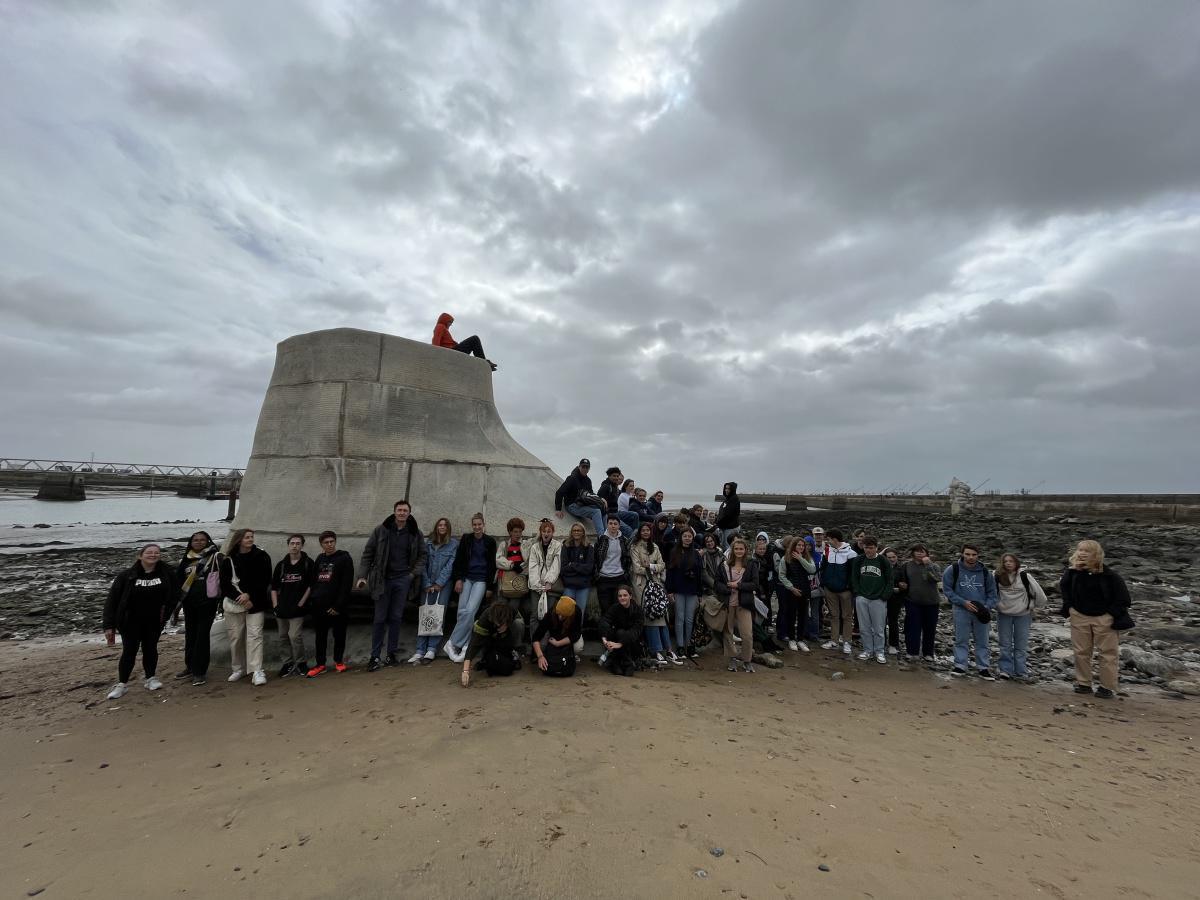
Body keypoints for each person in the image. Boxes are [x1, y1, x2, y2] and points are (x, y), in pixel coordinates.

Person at [356, 500, 426, 672]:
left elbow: (423, 556)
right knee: (379, 619)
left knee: (396, 618)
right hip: (382, 580)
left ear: (409, 513)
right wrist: (362, 576)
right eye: (399, 510)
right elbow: (368, 554)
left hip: (402, 580)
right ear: (394, 512)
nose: (402, 513)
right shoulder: (381, 530)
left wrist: (411, 575)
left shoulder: (415, 533)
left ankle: (391, 654)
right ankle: (374, 656)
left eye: (405, 510)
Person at [103, 543, 178, 699]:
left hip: (154, 621)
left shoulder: (166, 574)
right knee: (129, 651)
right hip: (129, 622)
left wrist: (167, 614)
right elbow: (112, 601)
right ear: (140, 556)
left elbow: (174, 595)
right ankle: (122, 684)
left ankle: (150, 678)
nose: (153, 555)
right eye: (149, 552)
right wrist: (109, 625)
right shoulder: (127, 576)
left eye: (156, 553)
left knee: (150, 649)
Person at [1060, 540, 1130, 699]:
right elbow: (1065, 591)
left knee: (1108, 654)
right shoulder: (1071, 573)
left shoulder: (1109, 575)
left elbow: (1123, 598)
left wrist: (1110, 615)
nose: (1082, 553)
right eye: (1080, 550)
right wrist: (1070, 608)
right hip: (1079, 616)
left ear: (1096, 554)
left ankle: (1107, 687)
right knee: (1081, 652)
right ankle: (1084, 683)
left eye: (1087, 551)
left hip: (1104, 618)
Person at [219, 528, 273, 686]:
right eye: (246, 537)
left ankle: (256, 670)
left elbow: (264, 580)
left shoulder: (262, 556)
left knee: (255, 636)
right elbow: (224, 583)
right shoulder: (229, 559)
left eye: (251, 537)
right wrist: (239, 598)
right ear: (238, 540)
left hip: (256, 603)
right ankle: (238, 668)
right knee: (236, 637)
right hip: (234, 604)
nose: (250, 539)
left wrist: (250, 596)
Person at [445, 513, 498, 663]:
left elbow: (492, 566)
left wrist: (490, 587)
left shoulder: (490, 541)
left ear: (483, 524)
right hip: (466, 578)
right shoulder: (466, 539)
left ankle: (452, 642)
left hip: (481, 580)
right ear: (472, 525)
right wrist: (459, 579)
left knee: (470, 611)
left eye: (479, 524)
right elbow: (460, 560)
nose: (477, 527)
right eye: (474, 524)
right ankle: (464, 645)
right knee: (462, 611)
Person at [943, 543, 998, 679]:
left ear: (978, 555)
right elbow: (948, 591)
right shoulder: (952, 569)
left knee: (983, 641)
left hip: (981, 611)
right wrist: (963, 602)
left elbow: (993, 593)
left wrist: (987, 606)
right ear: (962, 554)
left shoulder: (985, 572)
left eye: (974, 555)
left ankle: (983, 668)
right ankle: (960, 666)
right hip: (961, 610)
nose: (971, 557)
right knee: (961, 639)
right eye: (967, 554)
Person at [307, 531, 354, 676]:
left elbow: (346, 584)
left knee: (339, 635)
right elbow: (314, 581)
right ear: (321, 544)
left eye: (332, 541)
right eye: (326, 542)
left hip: (337, 607)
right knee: (320, 636)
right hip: (319, 605)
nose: (329, 544)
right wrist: (313, 600)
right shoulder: (320, 558)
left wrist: (338, 606)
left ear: (335, 542)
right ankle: (320, 664)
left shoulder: (344, 558)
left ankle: (339, 661)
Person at [412, 518, 459, 664]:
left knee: (438, 615)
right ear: (436, 527)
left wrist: (439, 583)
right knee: (424, 614)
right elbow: (423, 563)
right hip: (427, 584)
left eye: (445, 525)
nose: (442, 527)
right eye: (440, 524)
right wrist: (426, 583)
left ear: (448, 528)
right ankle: (420, 650)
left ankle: (432, 648)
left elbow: (451, 565)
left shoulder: (453, 544)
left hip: (443, 585)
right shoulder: (429, 544)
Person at [995, 552, 1047, 682]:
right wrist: (995, 605)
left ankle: (1021, 671)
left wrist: (1034, 606)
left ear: (1016, 563)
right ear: (1002, 563)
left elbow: (1039, 594)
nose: (1008, 563)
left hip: (1023, 615)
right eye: (1006, 561)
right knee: (1004, 644)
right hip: (1004, 614)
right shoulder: (996, 576)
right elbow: (990, 592)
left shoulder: (1025, 576)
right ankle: (1005, 670)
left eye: (1011, 561)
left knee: (1021, 645)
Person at [174, 531, 218, 686]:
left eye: (202, 540)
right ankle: (190, 666)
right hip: (189, 603)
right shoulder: (187, 559)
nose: (199, 542)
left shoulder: (215, 557)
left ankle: (199, 671)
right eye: (195, 540)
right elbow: (178, 580)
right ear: (191, 542)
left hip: (208, 603)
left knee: (202, 636)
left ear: (208, 541)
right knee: (190, 635)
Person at [631, 521, 676, 665]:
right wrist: (654, 568)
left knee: (662, 615)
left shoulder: (655, 546)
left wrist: (650, 566)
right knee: (649, 616)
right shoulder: (634, 547)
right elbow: (637, 568)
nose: (645, 532)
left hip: (656, 584)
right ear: (640, 532)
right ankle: (656, 649)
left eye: (648, 530)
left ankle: (667, 649)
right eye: (643, 530)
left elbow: (662, 565)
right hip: (641, 585)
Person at [271, 534, 314, 678]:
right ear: (288, 545)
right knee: (283, 636)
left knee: (294, 636)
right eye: (292, 543)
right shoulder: (281, 565)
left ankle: (301, 663)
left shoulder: (308, 563)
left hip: (298, 607)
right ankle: (288, 663)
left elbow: (310, 585)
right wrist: (275, 605)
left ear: (302, 545)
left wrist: (302, 603)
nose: (295, 546)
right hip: (282, 607)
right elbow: (274, 587)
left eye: (298, 543)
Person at [715, 537, 758, 672]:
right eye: (736, 549)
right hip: (728, 603)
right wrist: (726, 588)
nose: (739, 551)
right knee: (728, 632)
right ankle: (732, 658)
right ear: (732, 550)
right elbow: (717, 583)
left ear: (746, 550)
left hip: (744, 603)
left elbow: (755, 584)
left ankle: (747, 660)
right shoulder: (724, 565)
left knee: (747, 634)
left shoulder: (751, 564)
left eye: (741, 549)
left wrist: (738, 585)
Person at [850, 536, 893, 664]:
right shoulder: (859, 560)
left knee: (879, 628)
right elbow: (854, 577)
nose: (868, 550)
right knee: (864, 627)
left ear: (876, 548)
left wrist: (884, 595)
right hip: (862, 597)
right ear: (863, 547)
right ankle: (868, 650)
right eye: (866, 547)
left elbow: (890, 580)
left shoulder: (883, 561)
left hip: (878, 598)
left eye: (871, 548)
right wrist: (857, 593)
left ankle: (879, 651)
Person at [524, 518, 563, 649]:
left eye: (549, 531)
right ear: (540, 532)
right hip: (537, 587)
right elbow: (533, 566)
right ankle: (535, 646)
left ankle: (546, 645)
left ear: (553, 533)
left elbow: (556, 566)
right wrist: (537, 585)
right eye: (544, 531)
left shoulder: (557, 546)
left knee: (549, 616)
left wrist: (548, 581)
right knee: (535, 615)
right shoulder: (535, 547)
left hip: (550, 586)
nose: (546, 534)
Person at [460, 601, 518, 687]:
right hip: (488, 635)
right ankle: (486, 658)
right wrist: (465, 671)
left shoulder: (511, 611)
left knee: (519, 624)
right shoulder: (485, 618)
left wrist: (506, 625)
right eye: (499, 622)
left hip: (506, 634)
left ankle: (512, 652)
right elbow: (473, 645)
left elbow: (513, 617)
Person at [496, 517, 533, 649]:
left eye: (519, 531)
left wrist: (521, 566)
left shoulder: (526, 544)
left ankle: (512, 642)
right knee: (499, 610)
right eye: (515, 531)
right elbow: (498, 560)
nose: (517, 534)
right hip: (504, 582)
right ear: (510, 532)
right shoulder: (504, 545)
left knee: (511, 610)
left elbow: (529, 561)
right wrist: (512, 564)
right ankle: (501, 641)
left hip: (518, 584)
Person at [666, 527, 703, 658]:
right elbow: (670, 572)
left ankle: (690, 646)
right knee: (679, 618)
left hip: (692, 590)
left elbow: (699, 575)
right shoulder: (674, 552)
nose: (687, 538)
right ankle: (680, 646)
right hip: (678, 589)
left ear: (693, 538)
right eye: (685, 536)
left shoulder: (696, 554)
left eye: (689, 536)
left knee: (689, 619)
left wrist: (700, 593)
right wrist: (669, 590)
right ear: (681, 537)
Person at [818, 528, 857, 655]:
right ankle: (834, 640)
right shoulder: (827, 551)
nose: (827, 541)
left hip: (845, 591)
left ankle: (847, 642)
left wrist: (849, 587)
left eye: (828, 539)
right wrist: (824, 584)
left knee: (846, 616)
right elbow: (823, 568)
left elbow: (853, 574)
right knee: (834, 615)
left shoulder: (851, 553)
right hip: (830, 589)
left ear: (834, 539)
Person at [775, 536, 815, 653]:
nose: (801, 547)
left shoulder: (807, 558)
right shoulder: (785, 558)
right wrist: (791, 588)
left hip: (805, 590)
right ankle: (792, 639)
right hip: (791, 591)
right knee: (790, 615)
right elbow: (782, 575)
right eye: (799, 545)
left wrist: (801, 559)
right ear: (794, 545)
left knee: (803, 615)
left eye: (803, 546)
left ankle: (800, 639)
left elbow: (812, 570)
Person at [901, 545, 941, 662]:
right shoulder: (907, 566)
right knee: (912, 628)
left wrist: (928, 564)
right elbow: (903, 580)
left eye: (922, 552)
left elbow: (937, 578)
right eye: (917, 552)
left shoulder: (934, 566)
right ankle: (912, 652)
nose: (919, 554)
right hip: (913, 601)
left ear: (926, 553)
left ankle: (928, 653)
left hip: (932, 602)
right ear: (912, 553)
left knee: (929, 629)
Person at [560, 523, 595, 652]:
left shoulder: (588, 547)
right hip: (569, 585)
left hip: (583, 586)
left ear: (583, 532)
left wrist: (572, 565)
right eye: (574, 530)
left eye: (579, 530)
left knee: (579, 614)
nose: (576, 532)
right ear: (571, 532)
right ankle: (564, 641)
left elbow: (589, 568)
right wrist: (578, 568)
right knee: (565, 612)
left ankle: (576, 643)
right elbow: (563, 568)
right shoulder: (566, 546)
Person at [531, 596, 583, 677]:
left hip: (567, 637)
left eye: (564, 616)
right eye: (559, 614)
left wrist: (558, 643)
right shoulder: (551, 612)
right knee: (541, 646)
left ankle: (570, 657)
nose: (560, 617)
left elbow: (576, 634)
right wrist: (540, 656)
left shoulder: (577, 612)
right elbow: (536, 637)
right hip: (553, 635)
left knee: (578, 647)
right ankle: (546, 658)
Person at [599, 585, 644, 676]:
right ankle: (620, 664)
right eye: (620, 596)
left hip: (632, 643)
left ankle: (626, 664)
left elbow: (635, 631)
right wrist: (605, 640)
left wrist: (620, 644)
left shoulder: (637, 610)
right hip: (615, 641)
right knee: (615, 632)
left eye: (625, 595)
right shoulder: (615, 608)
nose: (622, 598)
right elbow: (604, 621)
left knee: (621, 633)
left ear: (630, 596)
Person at [554, 459, 605, 535]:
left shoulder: (588, 481)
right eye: (583, 467)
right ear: (579, 467)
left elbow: (591, 494)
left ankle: (608, 535)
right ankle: (602, 538)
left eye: (587, 467)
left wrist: (601, 499)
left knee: (602, 508)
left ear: (589, 469)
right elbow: (559, 492)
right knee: (596, 512)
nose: (585, 469)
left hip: (582, 504)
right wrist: (558, 509)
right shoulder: (572, 478)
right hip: (572, 505)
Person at [593, 515, 631, 617]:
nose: (613, 526)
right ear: (607, 525)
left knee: (619, 609)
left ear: (619, 526)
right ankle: (606, 632)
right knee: (605, 610)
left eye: (615, 524)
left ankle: (618, 631)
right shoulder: (601, 539)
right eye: (610, 523)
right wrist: (597, 574)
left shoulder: (623, 540)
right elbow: (595, 558)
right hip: (604, 579)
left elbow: (627, 558)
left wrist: (626, 573)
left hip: (619, 578)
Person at [431, 312, 497, 370]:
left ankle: (482, 362)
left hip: (453, 350)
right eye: (449, 322)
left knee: (474, 342)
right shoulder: (440, 326)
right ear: (445, 320)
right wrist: (436, 355)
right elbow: (435, 341)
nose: (450, 324)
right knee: (474, 339)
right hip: (451, 351)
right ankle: (483, 362)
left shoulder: (443, 328)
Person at [597, 468, 634, 537]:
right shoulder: (606, 486)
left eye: (617, 476)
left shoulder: (614, 487)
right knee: (628, 530)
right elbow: (598, 499)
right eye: (614, 476)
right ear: (609, 476)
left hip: (615, 512)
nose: (616, 478)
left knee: (633, 516)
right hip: (609, 514)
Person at [883, 547, 906, 655]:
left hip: (895, 599)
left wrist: (901, 587)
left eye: (894, 557)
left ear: (897, 557)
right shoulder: (882, 567)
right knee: (880, 622)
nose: (892, 559)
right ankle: (881, 644)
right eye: (889, 557)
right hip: (882, 598)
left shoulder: (901, 568)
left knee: (893, 622)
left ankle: (893, 645)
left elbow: (905, 583)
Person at [715, 482, 741, 548]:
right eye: (726, 488)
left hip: (730, 528)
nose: (726, 490)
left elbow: (728, 515)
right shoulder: (728, 499)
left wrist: (719, 523)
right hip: (725, 527)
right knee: (724, 546)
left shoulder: (734, 499)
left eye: (729, 489)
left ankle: (729, 558)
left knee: (728, 547)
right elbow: (723, 512)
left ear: (732, 490)